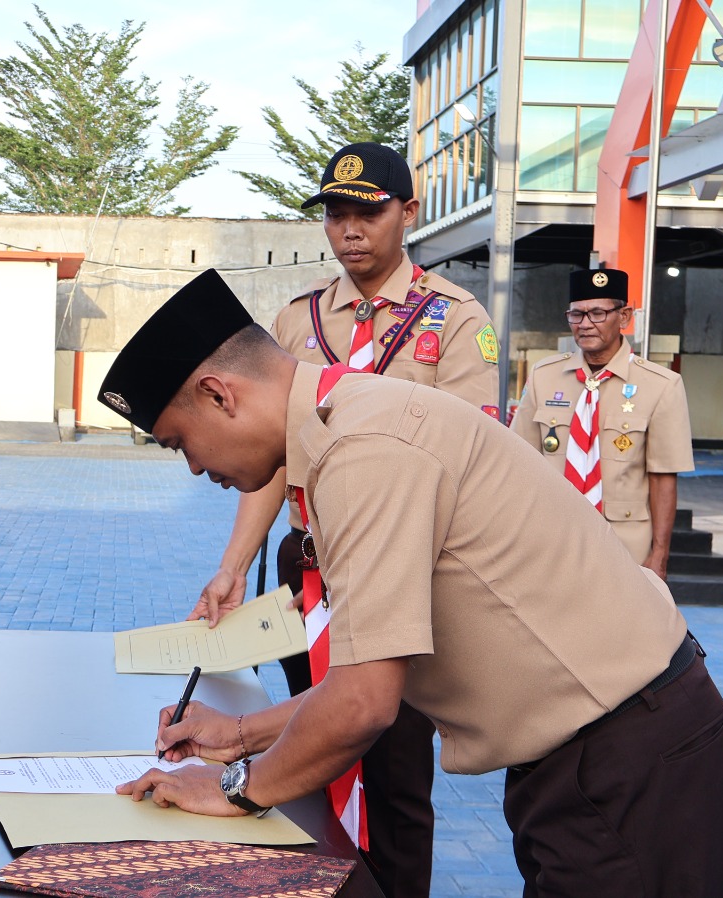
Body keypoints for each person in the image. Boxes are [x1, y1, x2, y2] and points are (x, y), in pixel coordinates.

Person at [100, 270, 723, 897]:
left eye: (179, 441)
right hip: (603, 757)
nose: (192, 467)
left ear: (219, 395)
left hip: (631, 761)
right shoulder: (346, 426)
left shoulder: (362, 450)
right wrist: (244, 734)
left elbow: (364, 703)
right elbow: (375, 673)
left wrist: (235, 787)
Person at [190, 142, 495, 897]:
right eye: (336, 214)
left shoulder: (454, 321)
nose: (350, 230)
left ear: (409, 213)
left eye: (369, 212)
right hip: (310, 573)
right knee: (309, 739)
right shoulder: (296, 324)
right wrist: (233, 566)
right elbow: (273, 460)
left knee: (391, 760)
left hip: (403, 573)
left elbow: (469, 460)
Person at [514, 268, 693, 580]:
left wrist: (659, 555)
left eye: (598, 313)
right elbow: (517, 462)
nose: (585, 324)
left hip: (624, 547)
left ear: (623, 317)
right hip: (550, 541)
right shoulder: (544, 376)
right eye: (576, 314)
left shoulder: (661, 385)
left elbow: (663, 478)